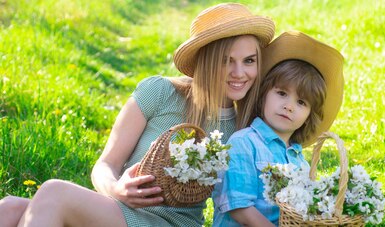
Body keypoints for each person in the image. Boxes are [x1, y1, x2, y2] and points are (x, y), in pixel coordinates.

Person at [0, 3, 274, 226]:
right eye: (227, 60)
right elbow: (104, 165)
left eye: (249, 60)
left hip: (172, 223)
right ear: (208, 61)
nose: (240, 73)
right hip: (116, 210)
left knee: (53, 193)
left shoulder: (245, 129)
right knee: (9, 208)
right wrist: (115, 189)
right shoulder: (159, 92)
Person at [211, 30, 344, 226]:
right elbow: (239, 208)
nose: (289, 106)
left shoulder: (300, 161)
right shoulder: (244, 143)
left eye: (301, 102)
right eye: (281, 93)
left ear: (308, 116)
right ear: (264, 94)